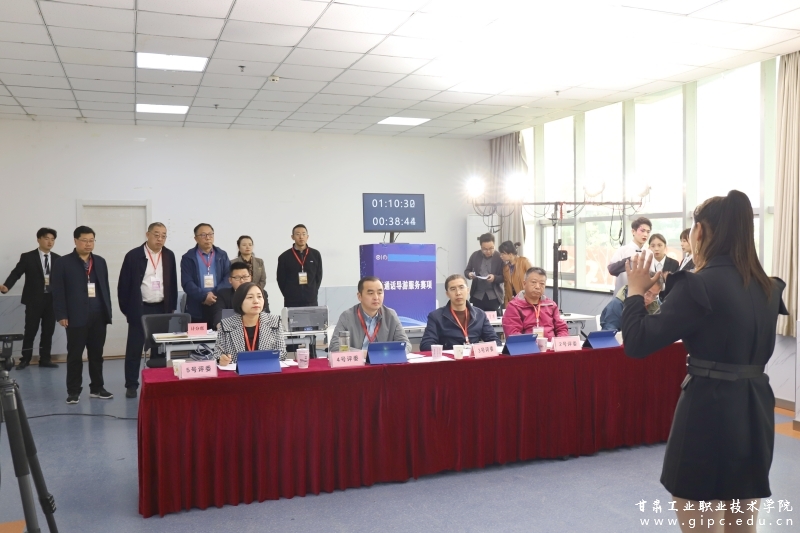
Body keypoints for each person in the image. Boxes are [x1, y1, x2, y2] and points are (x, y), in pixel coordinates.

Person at [622, 190, 787, 533]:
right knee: (742, 522)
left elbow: (637, 342)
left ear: (699, 231)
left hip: (707, 410)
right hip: (755, 408)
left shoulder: (698, 284)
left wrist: (635, 292)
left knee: (700, 516)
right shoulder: (768, 287)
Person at [51, 226, 113, 404]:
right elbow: (58, 291)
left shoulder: (100, 261)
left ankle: (97, 388)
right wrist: (61, 314)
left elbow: (105, 289)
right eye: (84, 240)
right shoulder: (63, 263)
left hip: (98, 316)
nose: (88, 244)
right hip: (75, 316)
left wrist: (107, 311)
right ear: (75, 241)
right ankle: (73, 391)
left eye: (91, 240)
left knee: (97, 355)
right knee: (75, 356)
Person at [117, 222, 178, 399]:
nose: (160, 239)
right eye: (156, 235)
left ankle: (157, 382)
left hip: (162, 308)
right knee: (134, 349)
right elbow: (123, 286)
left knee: (159, 349)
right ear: (147, 234)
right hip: (140, 308)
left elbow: (172, 283)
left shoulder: (169, 255)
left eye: (164, 236)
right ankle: (131, 385)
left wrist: (171, 308)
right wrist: (128, 311)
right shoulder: (134, 255)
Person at [0, 228, 61, 369]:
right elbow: (16, 273)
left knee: (48, 331)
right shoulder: (28, 257)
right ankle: (25, 359)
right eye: (46, 238)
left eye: (52, 239)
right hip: (34, 300)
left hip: (51, 300)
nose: (50, 242)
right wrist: (6, 286)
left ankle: (45, 359)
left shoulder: (58, 259)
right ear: (38, 239)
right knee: (30, 330)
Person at [329, 276, 411, 353]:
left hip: (383, 360)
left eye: (379, 293)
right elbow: (335, 347)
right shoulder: (347, 316)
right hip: (358, 362)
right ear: (359, 296)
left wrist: (388, 354)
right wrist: (364, 354)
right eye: (371, 293)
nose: (376, 297)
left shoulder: (390, 315)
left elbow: (406, 344)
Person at [420, 274, 499, 350]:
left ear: (468, 290)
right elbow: (426, 345)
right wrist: (451, 351)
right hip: (449, 357)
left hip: (473, 357)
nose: (458, 293)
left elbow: (495, 341)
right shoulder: (436, 316)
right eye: (453, 289)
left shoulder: (480, 315)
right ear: (447, 294)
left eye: (461, 287)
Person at [215, 283, 287, 365]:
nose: (256, 301)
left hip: (266, 370)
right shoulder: (226, 325)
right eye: (250, 297)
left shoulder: (274, 322)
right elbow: (217, 354)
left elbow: (282, 354)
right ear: (239, 301)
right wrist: (221, 359)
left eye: (259, 296)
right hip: (237, 371)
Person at [180, 223, 231, 327]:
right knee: (198, 335)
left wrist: (213, 294)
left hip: (218, 303)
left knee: (219, 334)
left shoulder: (222, 255)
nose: (208, 238)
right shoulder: (188, 257)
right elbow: (187, 282)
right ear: (195, 238)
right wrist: (204, 296)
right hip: (196, 305)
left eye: (210, 234)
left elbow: (228, 278)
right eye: (203, 235)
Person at [501, 267, 568, 340]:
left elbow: (561, 328)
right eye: (533, 282)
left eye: (542, 283)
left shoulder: (551, 305)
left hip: (550, 345)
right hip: (527, 346)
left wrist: (559, 341)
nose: (538, 287)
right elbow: (513, 333)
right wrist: (533, 344)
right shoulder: (514, 306)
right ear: (524, 284)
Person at [211, 261, 269, 329]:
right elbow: (218, 314)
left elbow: (265, 313)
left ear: (250, 277)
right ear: (230, 280)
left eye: (245, 277)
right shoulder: (223, 294)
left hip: (257, 329)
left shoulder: (261, 293)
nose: (242, 281)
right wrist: (222, 328)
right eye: (237, 277)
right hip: (231, 329)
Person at [276, 224, 323, 308]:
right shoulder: (284, 257)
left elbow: (318, 276)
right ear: (292, 237)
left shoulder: (315, 254)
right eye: (298, 234)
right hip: (291, 301)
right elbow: (281, 279)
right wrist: (288, 294)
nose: (301, 237)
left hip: (311, 300)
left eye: (304, 234)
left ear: (307, 237)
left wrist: (313, 291)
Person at [607, 217, 653, 293]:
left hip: (642, 295)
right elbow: (611, 269)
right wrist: (629, 259)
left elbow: (651, 275)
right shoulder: (622, 250)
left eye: (648, 232)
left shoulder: (649, 253)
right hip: (622, 295)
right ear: (633, 231)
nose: (645, 234)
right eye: (642, 231)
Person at [464, 233, 504, 312]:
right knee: (476, 317)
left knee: (493, 319)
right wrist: (469, 274)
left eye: (491, 248)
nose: (488, 251)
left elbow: (504, 277)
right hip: (477, 295)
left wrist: (494, 278)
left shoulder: (500, 257)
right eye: (485, 249)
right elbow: (467, 271)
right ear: (481, 247)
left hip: (494, 296)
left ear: (494, 245)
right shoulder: (475, 255)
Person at [498, 240, 531, 306]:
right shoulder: (505, 268)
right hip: (513, 301)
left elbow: (532, 279)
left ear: (510, 254)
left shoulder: (524, 262)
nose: (501, 256)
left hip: (526, 298)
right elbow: (506, 289)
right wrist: (507, 304)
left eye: (503, 254)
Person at [648, 233, 679, 300]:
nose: (656, 249)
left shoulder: (674, 263)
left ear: (665, 247)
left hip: (669, 299)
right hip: (650, 299)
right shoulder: (647, 264)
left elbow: (676, 285)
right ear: (649, 248)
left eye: (659, 245)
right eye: (653, 246)